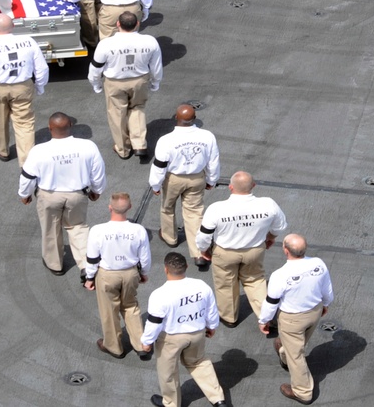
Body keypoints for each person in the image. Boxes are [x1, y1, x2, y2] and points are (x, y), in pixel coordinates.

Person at [18, 112, 106, 281]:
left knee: (50, 229)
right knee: (78, 228)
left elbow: (27, 176)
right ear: (70, 126)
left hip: (48, 196)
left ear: (50, 128)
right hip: (76, 195)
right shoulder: (88, 146)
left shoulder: (39, 150)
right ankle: (86, 265)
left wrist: (25, 194)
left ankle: (55, 264)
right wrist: (97, 190)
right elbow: (98, 172)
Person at [196, 171, 288, 327]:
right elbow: (280, 226)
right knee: (256, 280)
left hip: (225, 252)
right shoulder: (268, 204)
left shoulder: (217, 208)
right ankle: (267, 316)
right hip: (254, 250)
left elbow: (204, 236)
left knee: (226, 284)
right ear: (253, 185)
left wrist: (203, 249)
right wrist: (270, 238)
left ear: (230, 187)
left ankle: (229, 317)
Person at [138, 252, 228, 407]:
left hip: (171, 338)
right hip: (197, 333)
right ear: (186, 266)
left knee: (168, 372)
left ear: (166, 269)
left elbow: (154, 323)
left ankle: (171, 403)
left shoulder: (159, 294)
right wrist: (212, 326)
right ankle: (218, 399)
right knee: (199, 363)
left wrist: (147, 342)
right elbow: (211, 310)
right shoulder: (201, 286)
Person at [258, 234, 335, 406]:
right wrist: (326, 304)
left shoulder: (280, 275)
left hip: (292, 320)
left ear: (285, 250)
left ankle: (303, 392)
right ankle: (283, 352)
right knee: (295, 346)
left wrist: (264, 320)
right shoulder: (318, 263)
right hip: (314, 312)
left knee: (297, 356)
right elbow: (327, 288)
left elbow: (271, 302)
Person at [83, 192, 153, 360]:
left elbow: (92, 258)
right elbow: (145, 257)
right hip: (130, 273)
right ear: (129, 207)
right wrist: (143, 273)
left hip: (107, 274)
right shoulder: (138, 230)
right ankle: (140, 344)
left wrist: (90, 277)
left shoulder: (98, 230)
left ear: (110, 208)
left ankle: (114, 346)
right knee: (131, 306)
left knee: (109, 310)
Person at [0, 13, 48, 164]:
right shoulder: (28, 41)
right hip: (22, 87)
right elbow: (41, 68)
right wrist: (40, 85)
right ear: (13, 26)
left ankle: (2, 150)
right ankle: (27, 164)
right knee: (25, 123)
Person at [150, 103, 220, 269]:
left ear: (176, 118)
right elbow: (213, 161)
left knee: (167, 207)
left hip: (174, 178)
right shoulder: (207, 136)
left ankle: (170, 237)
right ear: (194, 119)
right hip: (196, 178)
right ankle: (198, 253)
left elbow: (160, 165)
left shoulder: (166, 140)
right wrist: (212, 180)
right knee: (195, 212)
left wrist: (155, 184)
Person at [87, 11, 162, 160]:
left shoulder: (106, 44)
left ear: (118, 24)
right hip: (139, 80)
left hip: (115, 82)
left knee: (117, 114)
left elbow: (95, 68)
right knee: (137, 108)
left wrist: (96, 84)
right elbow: (156, 65)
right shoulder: (150, 41)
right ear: (137, 24)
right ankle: (140, 143)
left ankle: (123, 149)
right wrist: (156, 82)